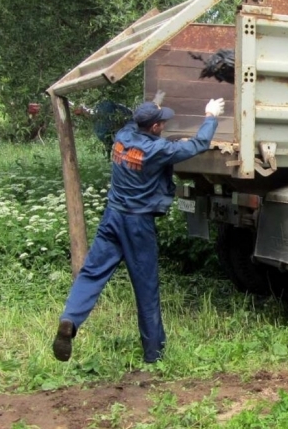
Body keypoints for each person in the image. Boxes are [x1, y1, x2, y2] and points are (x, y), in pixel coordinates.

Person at [52, 96, 226, 364]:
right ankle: (153, 355)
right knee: (146, 287)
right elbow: (199, 144)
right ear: (154, 128)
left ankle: (70, 319)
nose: (165, 124)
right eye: (162, 121)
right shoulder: (157, 151)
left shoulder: (123, 136)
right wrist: (211, 115)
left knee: (91, 273)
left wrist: (155, 105)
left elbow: (144, 132)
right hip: (137, 224)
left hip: (112, 217)